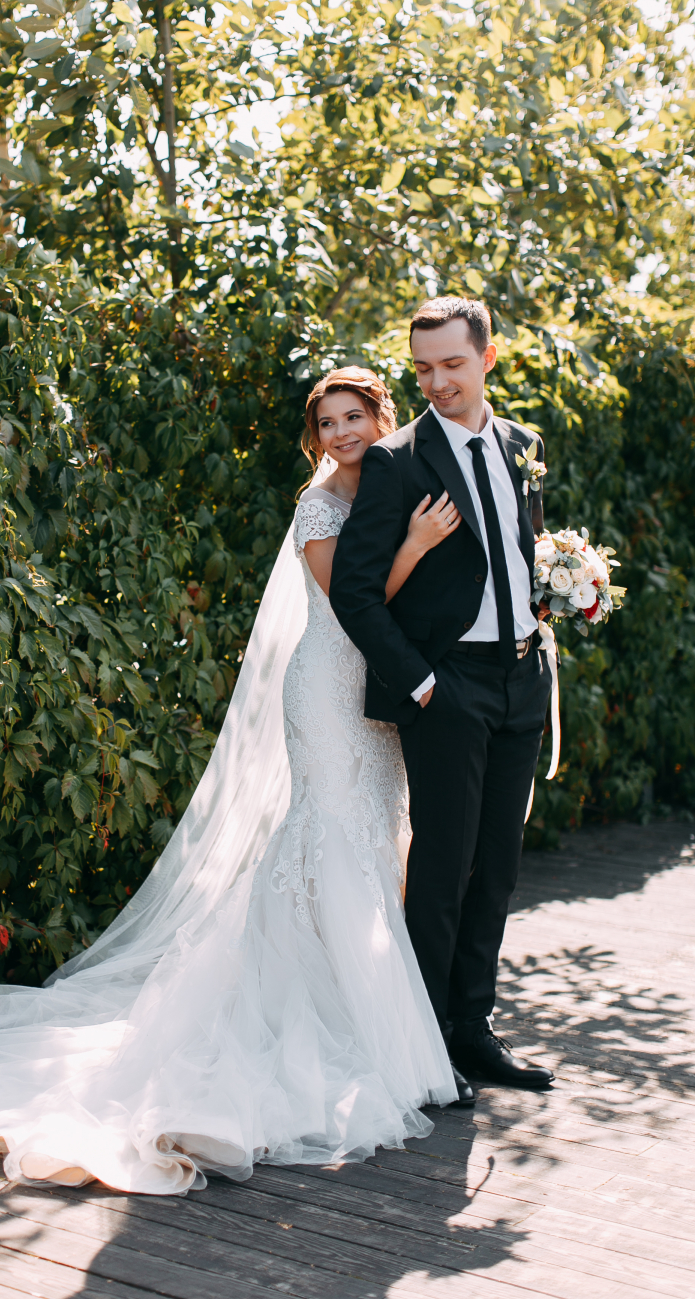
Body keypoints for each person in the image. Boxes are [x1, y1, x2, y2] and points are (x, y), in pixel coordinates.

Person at [0, 367, 463, 1196]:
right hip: (327, 689)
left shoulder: (392, 486)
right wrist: (416, 547)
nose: (342, 433)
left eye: (354, 417)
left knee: (375, 836)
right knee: (327, 833)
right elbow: (353, 602)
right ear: (316, 436)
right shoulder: (317, 505)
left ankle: (365, 1011)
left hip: (379, 693)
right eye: (329, 422)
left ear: (381, 417)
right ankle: (314, 1018)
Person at [329, 298, 555, 1106]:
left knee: (498, 863)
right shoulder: (397, 462)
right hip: (449, 684)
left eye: (453, 364)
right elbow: (354, 592)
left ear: (486, 358)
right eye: (423, 368)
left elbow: (522, 553)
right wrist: (424, 684)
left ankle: (472, 1028)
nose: (437, 382)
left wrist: (559, 599)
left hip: (523, 678)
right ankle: (424, 1049)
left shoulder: (524, 446)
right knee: (441, 869)